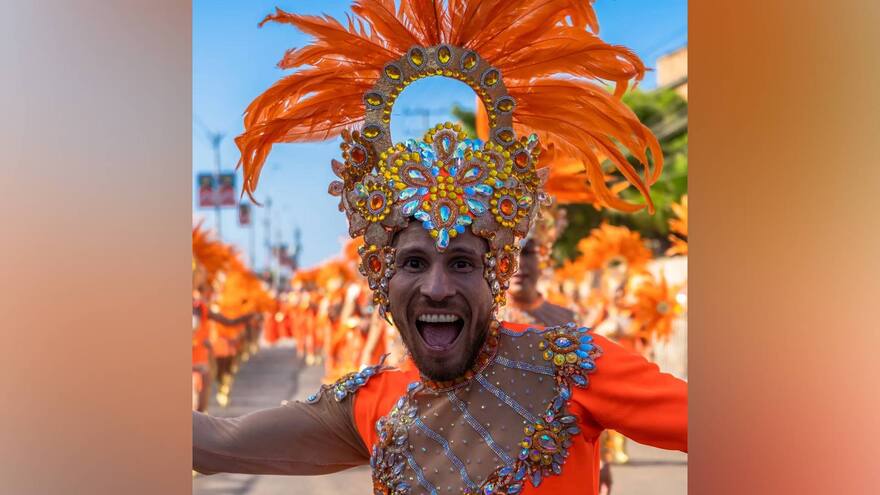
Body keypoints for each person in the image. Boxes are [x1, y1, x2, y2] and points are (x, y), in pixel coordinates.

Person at [194, 2, 685, 494]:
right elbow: (215, 442)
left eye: (462, 263)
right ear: (380, 274)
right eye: (413, 262)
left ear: (498, 271)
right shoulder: (371, 404)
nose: (436, 287)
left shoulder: (570, 366)